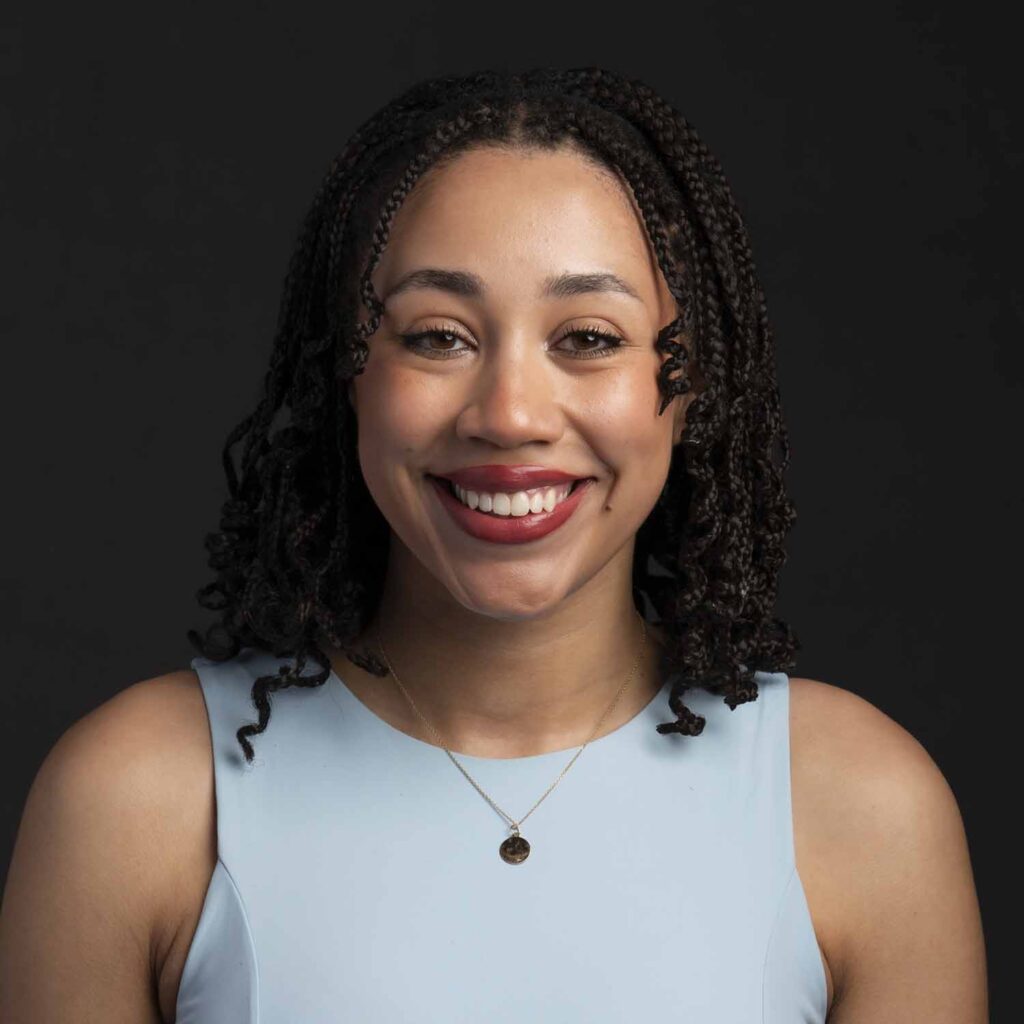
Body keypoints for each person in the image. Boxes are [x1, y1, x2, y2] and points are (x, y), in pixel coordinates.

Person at [0, 66, 987, 1023]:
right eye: (437, 335)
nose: (509, 414)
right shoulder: (138, 798)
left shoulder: (860, 806)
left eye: (588, 337)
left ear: (689, 392)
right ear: (345, 377)